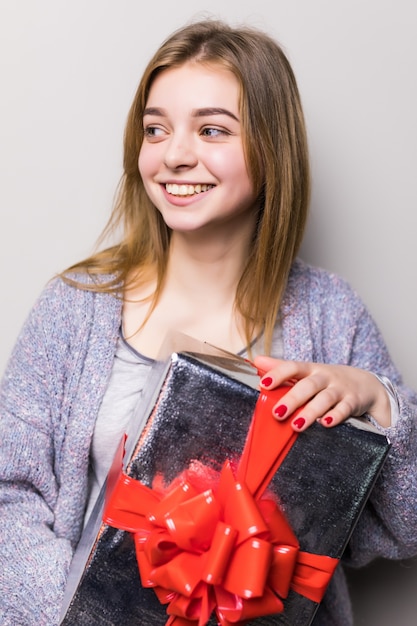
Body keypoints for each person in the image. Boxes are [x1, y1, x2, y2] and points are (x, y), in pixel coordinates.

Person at [0, 17, 416, 626]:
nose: (174, 154)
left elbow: (403, 527)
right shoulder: (74, 307)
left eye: (212, 129)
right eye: (155, 129)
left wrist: (379, 403)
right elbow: (8, 497)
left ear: (272, 149)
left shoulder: (331, 312)